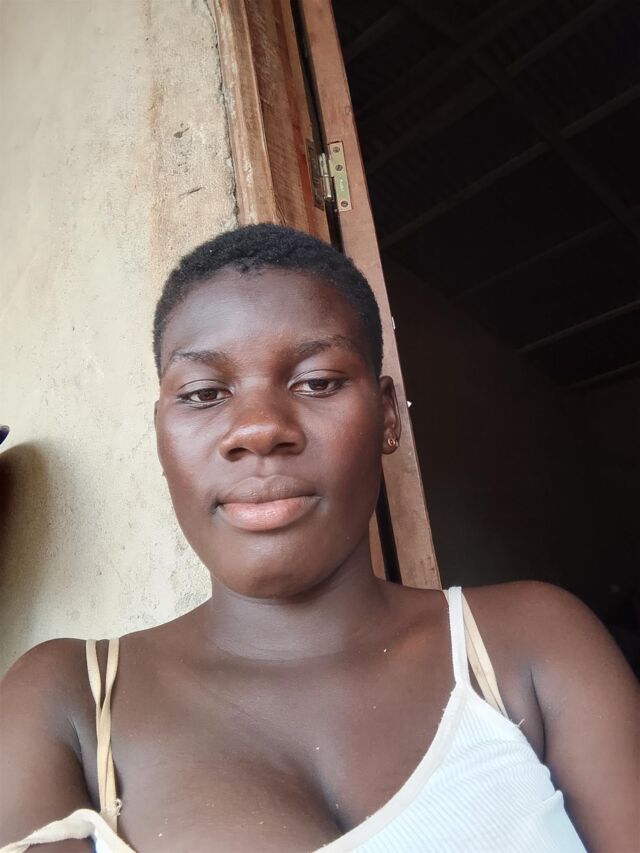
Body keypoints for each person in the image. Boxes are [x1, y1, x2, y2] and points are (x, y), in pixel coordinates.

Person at [1, 224, 637, 853]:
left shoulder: (530, 643)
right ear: (161, 435)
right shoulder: (69, 700)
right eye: (203, 393)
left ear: (386, 416)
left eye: (317, 382)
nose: (257, 429)